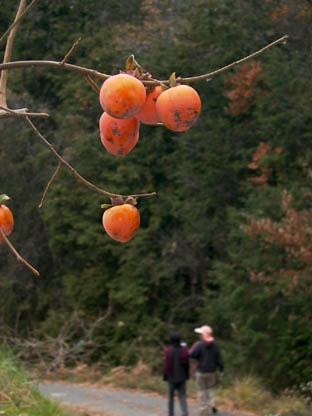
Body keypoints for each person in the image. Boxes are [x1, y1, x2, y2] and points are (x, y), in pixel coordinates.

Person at [189, 325, 224, 415]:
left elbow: (192, 354)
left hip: (201, 371)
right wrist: (221, 369)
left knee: (201, 390)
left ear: (204, 335)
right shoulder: (216, 345)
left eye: (201, 334)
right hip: (212, 371)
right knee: (210, 389)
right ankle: (213, 404)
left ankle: (203, 409)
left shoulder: (199, 344)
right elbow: (219, 359)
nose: (200, 335)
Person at [163, 332, 189, 416]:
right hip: (182, 377)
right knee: (182, 396)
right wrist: (187, 375)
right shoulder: (184, 350)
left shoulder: (168, 351)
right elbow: (187, 364)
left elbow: (166, 365)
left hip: (171, 377)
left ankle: (171, 413)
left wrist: (165, 376)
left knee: (170, 397)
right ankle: (184, 413)